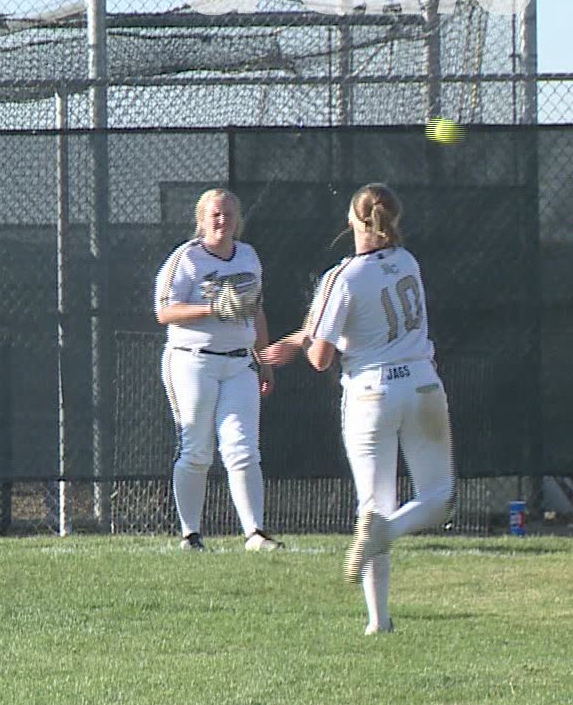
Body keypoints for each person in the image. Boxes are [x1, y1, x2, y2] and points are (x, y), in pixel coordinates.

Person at [259, 183, 454, 635]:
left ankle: (377, 616)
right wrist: (303, 335)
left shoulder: (342, 276)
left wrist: (304, 342)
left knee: (374, 508)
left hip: (371, 393)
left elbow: (322, 357)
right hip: (422, 385)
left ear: (352, 220)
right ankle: (379, 601)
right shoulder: (408, 261)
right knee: (436, 498)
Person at [153, 188, 283, 552]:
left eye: (228, 214)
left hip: (239, 362)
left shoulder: (248, 256)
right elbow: (164, 312)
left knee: (243, 448)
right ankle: (190, 534)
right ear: (202, 220)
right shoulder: (187, 259)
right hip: (192, 360)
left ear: (238, 219)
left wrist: (265, 360)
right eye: (215, 214)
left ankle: (254, 533)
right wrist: (212, 310)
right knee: (196, 449)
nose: (222, 220)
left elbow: (256, 310)